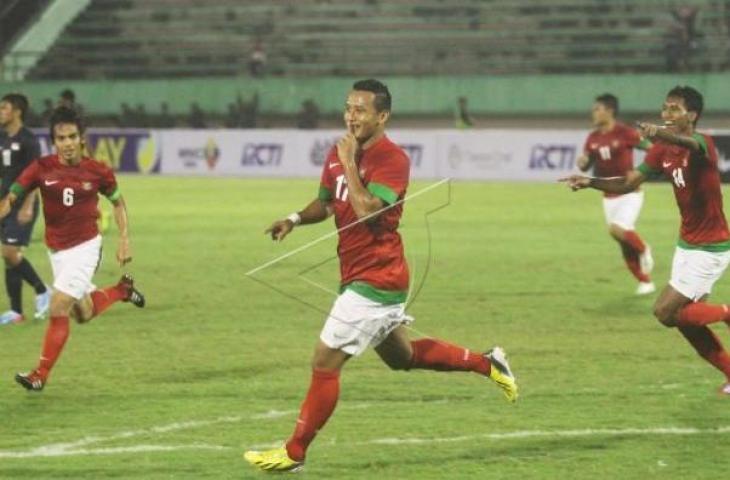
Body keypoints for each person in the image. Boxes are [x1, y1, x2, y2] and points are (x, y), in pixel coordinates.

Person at [244, 79, 518, 473]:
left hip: (377, 277)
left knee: (324, 362)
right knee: (402, 358)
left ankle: (295, 452)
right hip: (358, 273)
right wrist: (294, 219)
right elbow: (327, 202)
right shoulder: (338, 154)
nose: (351, 116)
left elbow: (368, 210)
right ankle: (488, 363)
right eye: (348, 108)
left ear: (382, 116)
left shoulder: (392, 159)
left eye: (360, 110)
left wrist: (351, 162)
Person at [561, 85, 730, 396]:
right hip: (687, 245)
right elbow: (629, 182)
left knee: (666, 312)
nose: (666, 114)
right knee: (685, 322)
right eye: (664, 108)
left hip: (711, 246)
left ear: (691, 115)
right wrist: (589, 182)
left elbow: (687, 142)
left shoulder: (702, 143)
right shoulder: (660, 150)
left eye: (674, 109)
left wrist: (661, 134)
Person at [0, 106, 146, 391]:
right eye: (60, 138)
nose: (66, 143)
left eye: (71, 137)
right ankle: (121, 291)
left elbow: (117, 202)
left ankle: (39, 375)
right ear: (53, 140)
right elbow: (11, 197)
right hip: (57, 251)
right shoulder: (41, 168)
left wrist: (124, 238)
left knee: (58, 305)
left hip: (86, 247)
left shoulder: (98, 171)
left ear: (81, 138)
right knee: (83, 314)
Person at [577, 93, 655, 295]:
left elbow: (652, 149)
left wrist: (642, 171)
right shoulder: (593, 137)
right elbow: (586, 164)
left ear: (609, 111)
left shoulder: (625, 132)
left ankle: (644, 248)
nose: (593, 113)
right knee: (622, 241)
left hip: (630, 191)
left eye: (597, 109)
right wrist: (582, 162)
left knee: (616, 229)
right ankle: (645, 281)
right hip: (608, 195)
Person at [0, 93, 50, 324]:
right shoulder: (1, 137)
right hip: (3, 203)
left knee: (10, 252)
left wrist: (28, 206)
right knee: (8, 257)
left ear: (17, 111)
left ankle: (42, 290)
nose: (1, 112)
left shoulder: (29, 140)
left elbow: (36, 176)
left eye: (4, 108)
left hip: (21, 204)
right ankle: (16, 311)